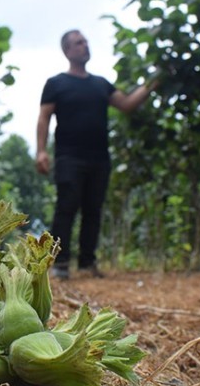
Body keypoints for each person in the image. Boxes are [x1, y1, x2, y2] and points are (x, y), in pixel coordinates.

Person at [35, 29, 157, 280]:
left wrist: (154, 82)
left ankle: (87, 263)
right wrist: (41, 151)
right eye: (79, 43)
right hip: (68, 157)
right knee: (66, 207)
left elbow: (127, 104)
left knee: (93, 209)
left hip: (99, 158)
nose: (85, 45)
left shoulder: (101, 84)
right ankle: (60, 263)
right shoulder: (56, 84)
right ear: (67, 50)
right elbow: (44, 117)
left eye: (86, 41)